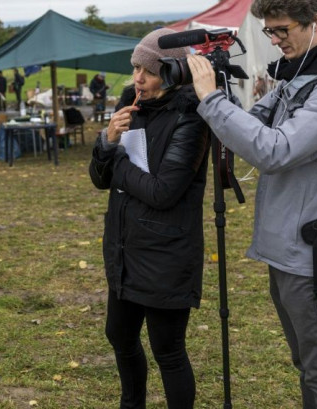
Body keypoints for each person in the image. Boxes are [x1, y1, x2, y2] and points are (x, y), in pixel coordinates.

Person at [189, 0, 317, 409]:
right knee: (308, 363)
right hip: (289, 249)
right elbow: (248, 126)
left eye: (282, 30)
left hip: (314, 258)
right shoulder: (297, 77)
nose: (275, 40)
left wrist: (211, 99)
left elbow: (274, 151)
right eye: (268, 31)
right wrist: (216, 91)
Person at [89, 28, 210, 409]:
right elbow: (99, 179)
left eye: (149, 71)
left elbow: (163, 191)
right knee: (120, 336)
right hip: (126, 246)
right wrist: (107, 141)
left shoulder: (191, 117)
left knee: (168, 350)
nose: (138, 78)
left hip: (166, 253)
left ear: (173, 73)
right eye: (135, 68)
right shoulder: (131, 106)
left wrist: (118, 159)